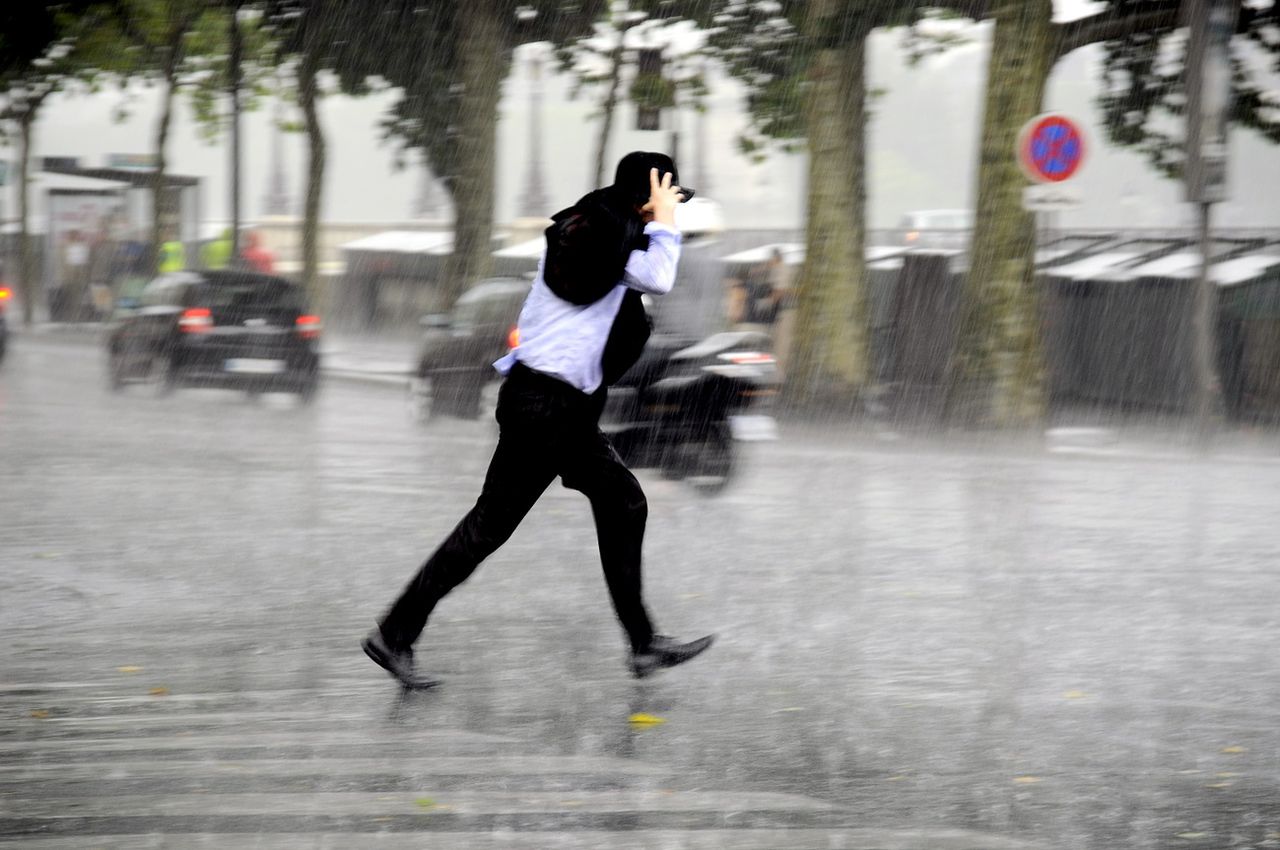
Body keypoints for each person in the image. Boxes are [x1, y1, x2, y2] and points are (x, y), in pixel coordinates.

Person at [362, 152, 714, 689]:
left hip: (547, 404)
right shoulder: (606, 239)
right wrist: (665, 219)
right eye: (664, 198)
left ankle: (642, 643)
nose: (667, 213)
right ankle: (396, 633)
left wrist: (653, 216)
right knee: (508, 524)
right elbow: (660, 278)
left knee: (604, 506)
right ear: (645, 198)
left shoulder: (594, 237)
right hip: (548, 407)